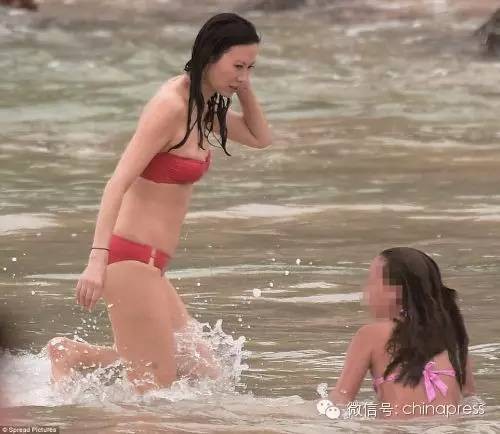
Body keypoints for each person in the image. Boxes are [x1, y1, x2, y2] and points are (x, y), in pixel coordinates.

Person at [47, 12, 272, 393]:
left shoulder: (204, 106)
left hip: (153, 266)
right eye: (237, 66)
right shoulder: (171, 106)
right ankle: (74, 361)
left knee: (201, 372)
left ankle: (73, 353)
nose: (244, 76)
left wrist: (243, 86)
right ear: (209, 55)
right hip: (129, 260)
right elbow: (117, 183)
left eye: (251, 67)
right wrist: (96, 261)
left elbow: (259, 137)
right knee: (152, 393)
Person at [323, 247, 476, 419]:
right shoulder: (453, 335)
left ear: (395, 291)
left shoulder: (370, 335)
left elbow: (341, 399)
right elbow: (470, 400)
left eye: (371, 282)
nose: (366, 290)